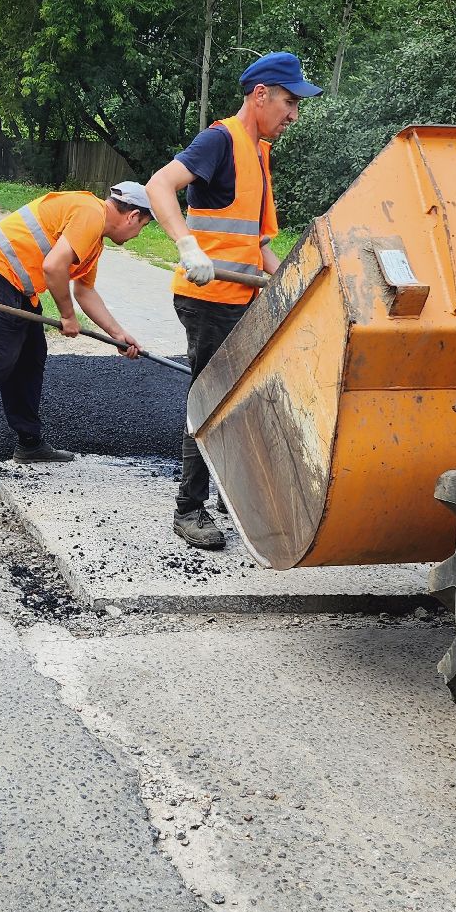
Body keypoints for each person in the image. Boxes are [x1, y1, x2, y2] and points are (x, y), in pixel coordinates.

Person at [145, 51, 319, 550]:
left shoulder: (259, 152)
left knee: (239, 398)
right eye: (289, 102)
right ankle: (188, 509)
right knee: (211, 399)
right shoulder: (220, 140)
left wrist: (292, 282)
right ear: (260, 95)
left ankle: (228, 491)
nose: (293, 115)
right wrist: (187, 247)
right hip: (208, 297)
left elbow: (257, 243)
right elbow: (159, 186)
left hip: (239, 297)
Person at [0, 182, 156, 473]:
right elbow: (54, 267)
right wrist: (67, 316)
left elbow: (85, 292)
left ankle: (29, 444)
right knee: (0, 359)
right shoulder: (91, 213)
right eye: (143, 226)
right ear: (133, 216)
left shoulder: (94, 240)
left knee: (30, 358)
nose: (137, 234)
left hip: (16, 286)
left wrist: (117, 334)